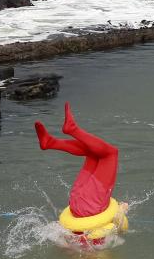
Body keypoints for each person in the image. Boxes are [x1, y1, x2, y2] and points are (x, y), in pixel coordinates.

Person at [35, 102, 128, 246]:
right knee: (93, 152)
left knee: (110, 153)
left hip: (90, 206)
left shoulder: (96, 235)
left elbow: (117, 225)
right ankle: (51, 142)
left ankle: (71, 131)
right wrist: (121, 209)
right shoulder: (89, 237)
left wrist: (121, 209)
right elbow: (117, 226)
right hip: (76, 203)